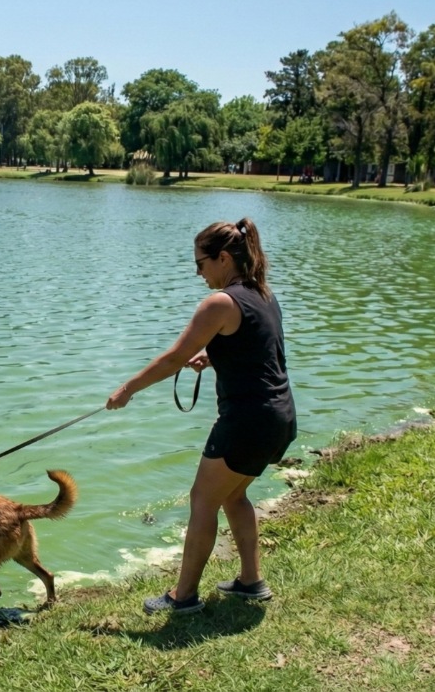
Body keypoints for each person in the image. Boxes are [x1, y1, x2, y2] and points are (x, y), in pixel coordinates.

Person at [106, 217, 297, 614]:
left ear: (224, 258)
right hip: (278, 418)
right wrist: (213, 356)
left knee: (202, 500)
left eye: (201, 263)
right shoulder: (262, 293)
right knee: (233, 495)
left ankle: (183, 596)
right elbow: (258, 349)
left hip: (246, 422)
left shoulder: (220, 302)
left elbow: (173, 357)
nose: (198, 272)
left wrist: (128, 389)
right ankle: (250, 581)